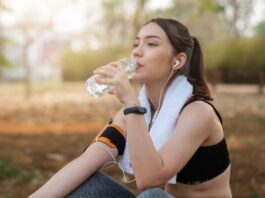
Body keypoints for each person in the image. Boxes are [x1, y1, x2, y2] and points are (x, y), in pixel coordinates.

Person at [29, 17, 232, 198]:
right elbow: (86, 162)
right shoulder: (130, 115)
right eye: (136, 43)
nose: (137, 51)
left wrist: (132, 104)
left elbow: (148, 180)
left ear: (178, 60)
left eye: (151, 44)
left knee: (153, 196)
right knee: (86, 184)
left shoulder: (197, 112)